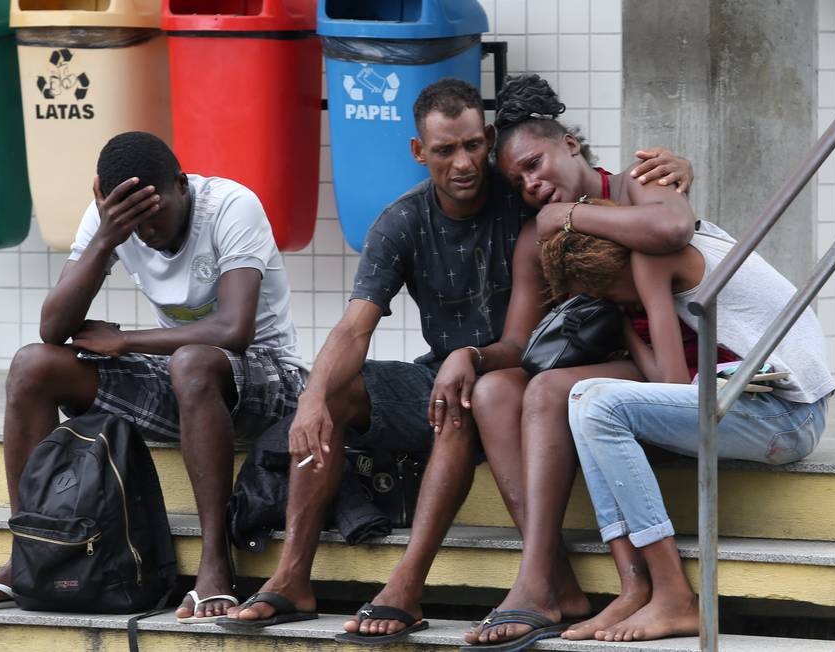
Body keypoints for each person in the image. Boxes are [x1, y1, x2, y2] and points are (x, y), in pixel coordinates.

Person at [217, 77, 693, 642]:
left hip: (516, 375)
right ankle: (292, 577)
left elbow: (597, 185)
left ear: (487, 139)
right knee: (337, 394)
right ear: (420, 152)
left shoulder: (526, 194)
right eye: (445, 150)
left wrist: (677, 171)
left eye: (472, 145)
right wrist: (312, 399)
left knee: (466, 395)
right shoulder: (405, 220)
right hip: (451, 371)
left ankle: (413, 584)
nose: (463, 163)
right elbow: (354, 326)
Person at [0, 131, 304, 625]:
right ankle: (32, 549)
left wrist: (125, 340)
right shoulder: (110, 220)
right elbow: (53, 328)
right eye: (134, 222)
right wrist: (106, 237)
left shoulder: (231, 206)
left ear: (181, 185)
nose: (147, 232)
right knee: (33, 365)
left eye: (155, 215)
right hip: (186, 382)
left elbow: (233, 330)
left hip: (271, 383)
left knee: (192, 362)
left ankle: (216, 561)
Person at [461, 74, 715, 650]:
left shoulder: (638, 181)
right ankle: (557, 576)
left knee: (552, 391)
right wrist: (470, 356)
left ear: (570, 144)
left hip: (681, 366)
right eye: (519, 181)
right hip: (618, 366)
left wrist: (569, 217)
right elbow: (519, 345)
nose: (531, 184)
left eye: (535, 164)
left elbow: (672, 227)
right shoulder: (537, 235)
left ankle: (536, 583)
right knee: (497, 390)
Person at [547, 210, 835, 641]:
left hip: (789, 415)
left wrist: (626, 316)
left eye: (606, 293)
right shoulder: (685, 241)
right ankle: (635, 588)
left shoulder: (652, 259)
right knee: (583, 397)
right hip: (776, 410)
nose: (611, 303)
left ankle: (673, 594)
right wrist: (625, 326)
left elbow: (672, 383)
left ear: (618, 266)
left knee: (597, 403)